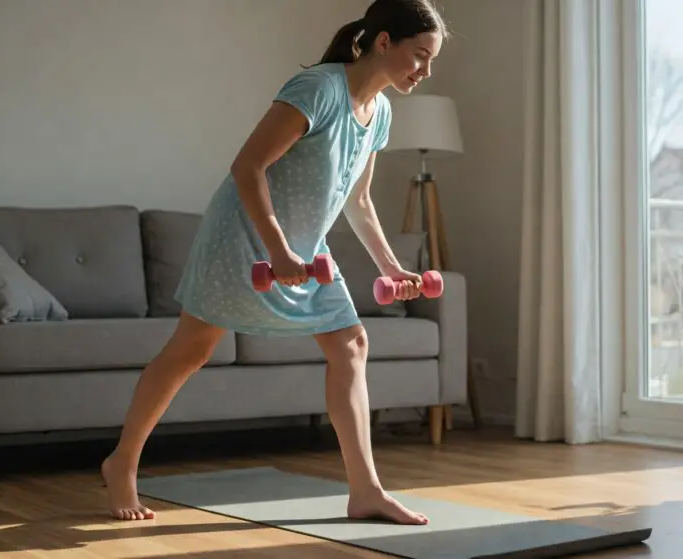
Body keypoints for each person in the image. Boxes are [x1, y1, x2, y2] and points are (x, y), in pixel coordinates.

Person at [100, 0, 447, 524]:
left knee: (351, 343)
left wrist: (390, 267)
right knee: (191, 350)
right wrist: (278, 250)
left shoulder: (381, 112)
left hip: (306, 246)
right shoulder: (319, 90)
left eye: (430, 61)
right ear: (383, 43)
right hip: (243, 235)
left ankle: (366, 490)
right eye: (419, 56)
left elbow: (358, 200)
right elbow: (248, 166)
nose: (424, 71)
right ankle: (121, 463)